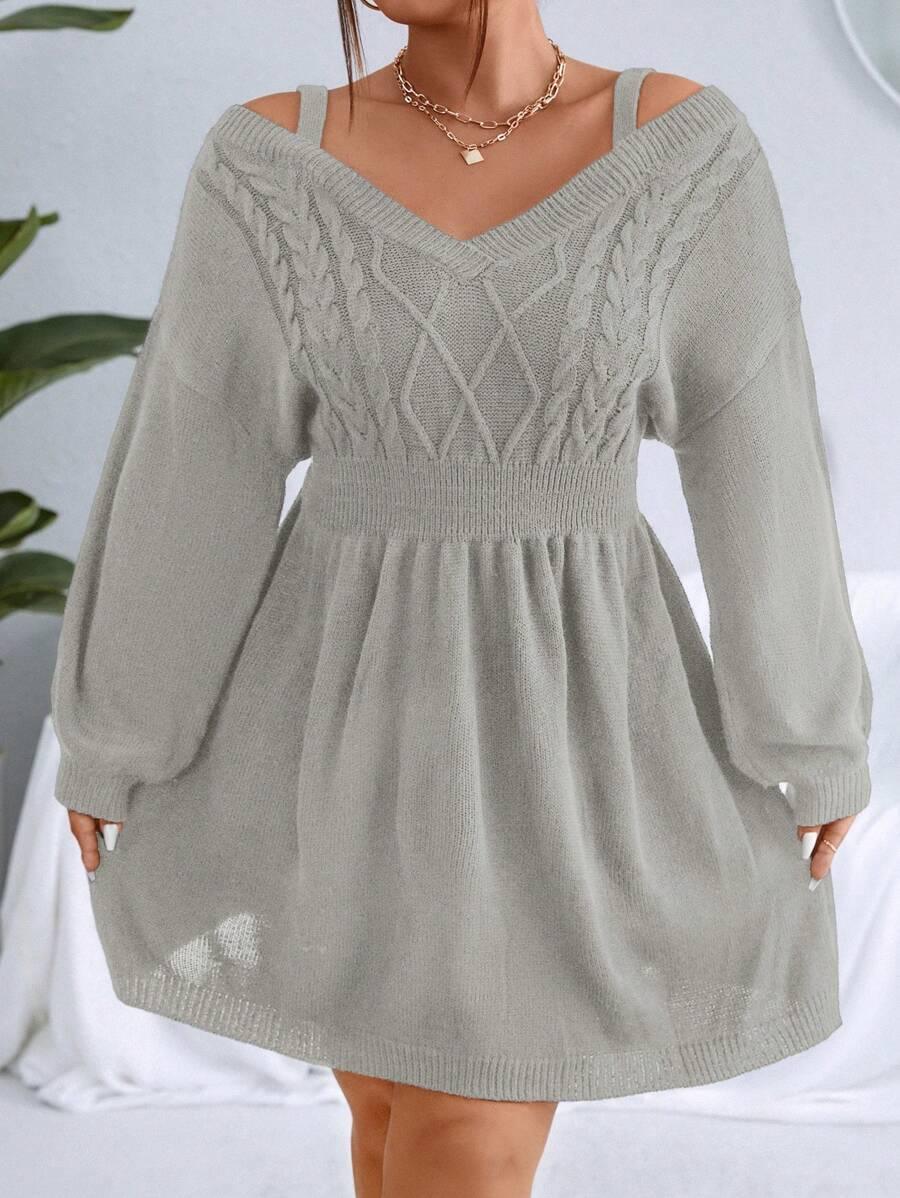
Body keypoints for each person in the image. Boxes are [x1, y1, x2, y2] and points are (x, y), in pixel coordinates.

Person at [50, 2, 874, 1196]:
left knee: (461, 1139)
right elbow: (198, 455)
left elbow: (762, 452)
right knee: (393, 1122)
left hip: (567, 733)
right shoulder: (268, 162)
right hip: (337, 732)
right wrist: (120, 731)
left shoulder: (685, 153)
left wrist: (810, 735)